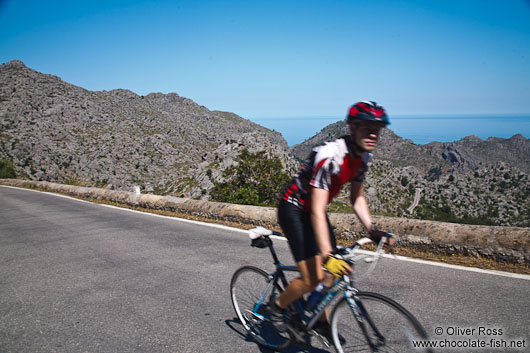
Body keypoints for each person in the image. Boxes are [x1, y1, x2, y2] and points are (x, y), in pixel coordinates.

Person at [271, 100, 391, 340]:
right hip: (294, 208)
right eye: (367, 127)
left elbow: (356, 197)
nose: (373, 134)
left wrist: (373, 230)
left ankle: (319, 319)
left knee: (332, 273)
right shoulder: (330, 155)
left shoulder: (363, 158)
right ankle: (277, 309)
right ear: (353, 128)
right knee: (311, 278)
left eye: (377, 129)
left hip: (315, 211)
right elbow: (316, 208)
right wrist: (328, 254)